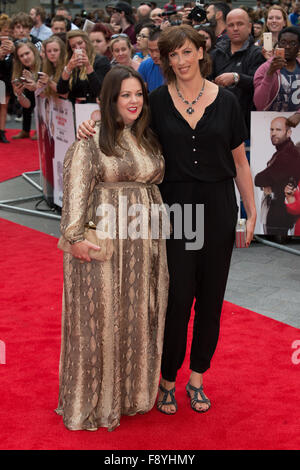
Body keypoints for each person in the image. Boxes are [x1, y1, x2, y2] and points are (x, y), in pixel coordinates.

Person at [77, 25, 256, 415]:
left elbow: (240, 161)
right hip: (173, 212)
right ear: (166, 59)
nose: (180, 61)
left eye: (187, 52)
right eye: (172, 55)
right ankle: (168, 380)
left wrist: (251, 209)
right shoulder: (155, 100)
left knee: (211, 300)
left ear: (200, 52)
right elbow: (122, 119)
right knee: (175, 298)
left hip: (218, 209)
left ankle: (197, 380)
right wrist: (92, 119)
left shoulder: (226, 101)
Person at [55, 65, 169, 431]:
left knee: (136, 314)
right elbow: (75, 190)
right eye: (125, 95)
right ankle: (94, 399)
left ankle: (129, 394)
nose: (134, 101)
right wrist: (75, 239)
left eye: (138, 94)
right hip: (104, 244)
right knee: (99, 319)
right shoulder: (91, 140)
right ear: (110, 99)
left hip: (144, 244)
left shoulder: (146, 137)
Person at [210, 8, 265, 138]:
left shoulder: (258, 54)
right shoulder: (215, 53)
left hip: (246, 124)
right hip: (218, 122)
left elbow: (260, 84)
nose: (235, 28)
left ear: (249, 27)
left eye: (240, 24)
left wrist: (237, 78)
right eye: (231, 25)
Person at [255, 116, 300, 235]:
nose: (273, 133)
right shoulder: (281, 152)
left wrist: (267, 183)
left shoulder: (287, 154)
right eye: (272, 129)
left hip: (280, 216)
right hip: (276, 213)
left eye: (278, 130)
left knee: (275, 249)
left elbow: (259, 179)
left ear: (288, 132)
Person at [56, 30, 111, 105]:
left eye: (80, 43)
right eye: (73, 46)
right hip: (74, 108)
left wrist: (88, 66)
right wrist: (68, 68)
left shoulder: (101, 61)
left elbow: (99, 91)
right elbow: (61, 90)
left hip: (93, 109)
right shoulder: (71, 63)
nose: (78, 48)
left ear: (87, 42)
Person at [253, 26, 300, 112]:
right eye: (283, 42)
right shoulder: (264, 68)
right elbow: (259, 105)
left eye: (293, 43)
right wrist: (269, 74)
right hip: (268, 122)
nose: (287, 47)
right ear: (278, 44)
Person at [11, 41, 41, 140]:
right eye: (21, 56)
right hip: (30, 99)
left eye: (27, 53)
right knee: (27, 95)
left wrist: (35, 86)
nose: (25, 57)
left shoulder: (44, 65)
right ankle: (25, 130)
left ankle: (40, 130)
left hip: (48, 101)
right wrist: (19, 95)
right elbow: (27, 105)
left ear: (34, 52)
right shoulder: (20, 70)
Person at [0, 14, 14, 143]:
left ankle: (2, 132)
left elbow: (12, 64)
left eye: (9, 31)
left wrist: (10, 53)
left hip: (5, 81)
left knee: (4, 106)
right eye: (4, 31)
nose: (7, 34)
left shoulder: (12, 45)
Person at [137, 27, 164, 92]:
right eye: (151, 51)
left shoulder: (177, 66)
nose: (154, 55)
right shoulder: (145, 65)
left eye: (157, 50)